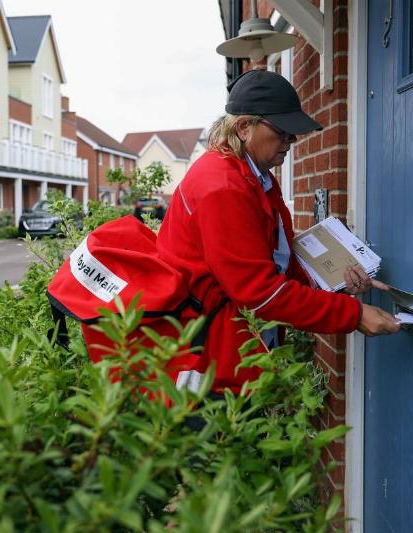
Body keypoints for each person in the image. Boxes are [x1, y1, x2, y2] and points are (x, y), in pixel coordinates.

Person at [156, 70, 400, 396]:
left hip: (232, 347)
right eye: (282, 132)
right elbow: (259, 293)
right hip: (212, 363)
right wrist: (353, 314)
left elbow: (275, 258)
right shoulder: (223, 187)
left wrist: (334, 281)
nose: (291, 141)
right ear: (244, 127)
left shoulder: (253, 175)